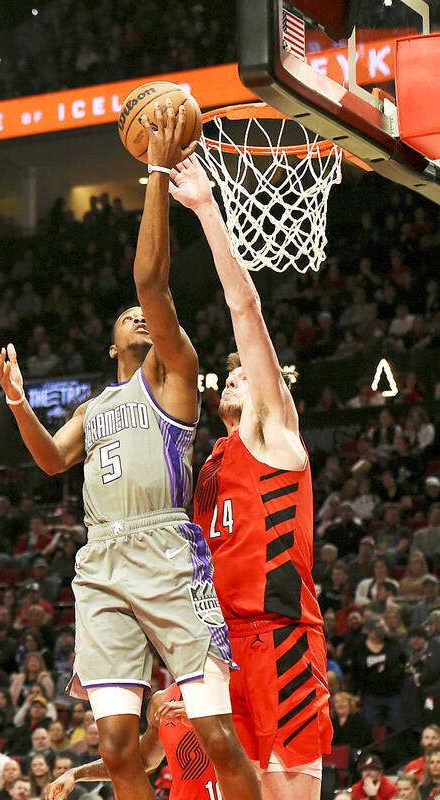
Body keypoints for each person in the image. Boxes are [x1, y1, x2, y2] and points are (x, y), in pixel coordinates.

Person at [0, 101, 260, 800]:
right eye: (127, 320)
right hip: (102, 559)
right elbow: (52, 460)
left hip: (167, 552)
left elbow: (152, 282)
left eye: (147, 316)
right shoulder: (92, 407)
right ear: (113, 344)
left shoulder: (170, 376)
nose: (141, 316)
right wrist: (18, 401)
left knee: (216, 737)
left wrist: (155, 172)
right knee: (114, 748)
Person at [169, 154, 332, 800]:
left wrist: (209, 210)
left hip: (281, 642)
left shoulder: (273, 433)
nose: (237, 376)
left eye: (248, 374)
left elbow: (244, 308)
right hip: (216, 652)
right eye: (230, 375)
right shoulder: (207, 468)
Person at [44, 684, 219, 800]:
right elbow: (140, 762)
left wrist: (208, 719)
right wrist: (75, 774)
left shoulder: (230, 686)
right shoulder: (162, 701)